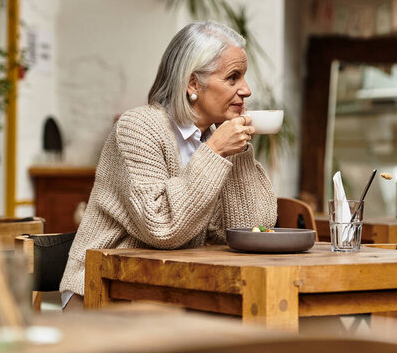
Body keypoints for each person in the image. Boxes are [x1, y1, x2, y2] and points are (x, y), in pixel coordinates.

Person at [59, 21, 277, 310]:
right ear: (193, 84)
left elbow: (253, 230)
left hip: (171, 290)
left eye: (244, 77)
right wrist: (216, 151)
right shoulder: (138, 127)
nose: (246, 90)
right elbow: (163, 229)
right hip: (105, 291)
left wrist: (236, 149)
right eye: (233, 77)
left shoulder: (213, 138)